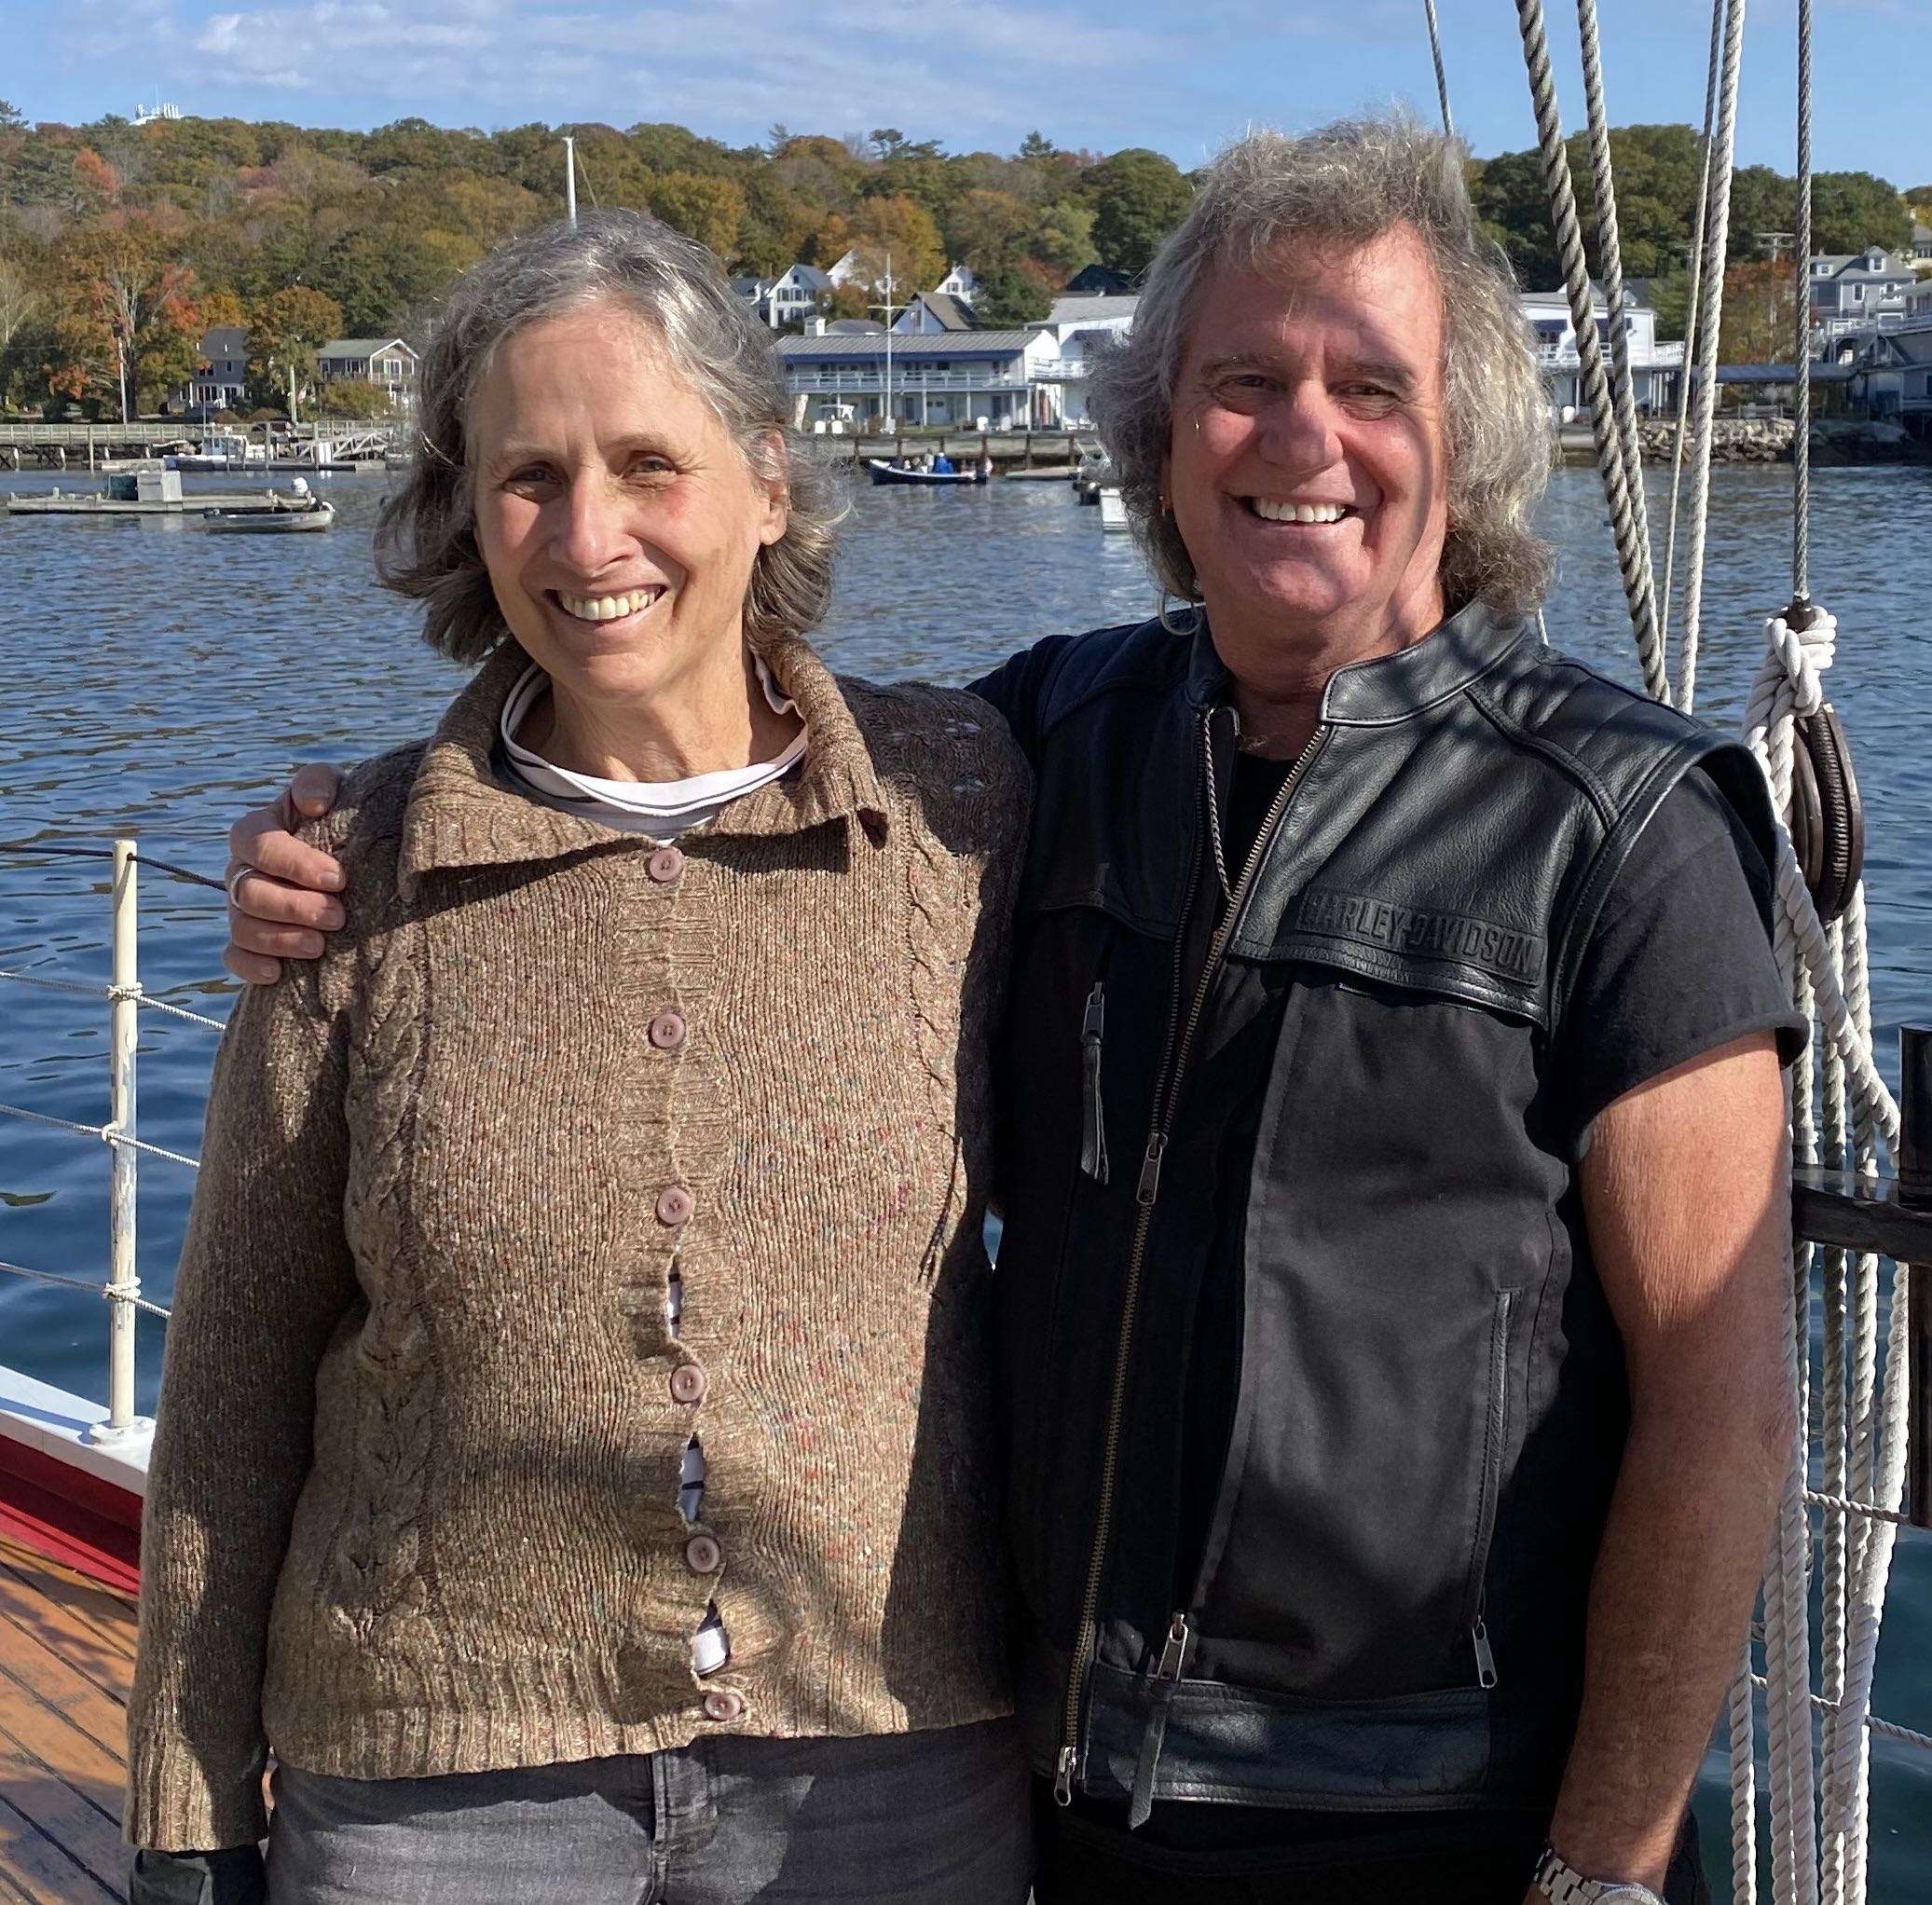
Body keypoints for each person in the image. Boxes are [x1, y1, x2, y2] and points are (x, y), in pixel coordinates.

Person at [226, 117, 1802, 1905]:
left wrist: (1602, 1867)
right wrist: (353, 839)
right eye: (1240, 381)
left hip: (1428, 1811)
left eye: (1370, 382)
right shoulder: (1042, 741)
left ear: (1473, 436)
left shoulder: (1623, 822)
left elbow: (1719, 1414)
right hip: (1056, 1787)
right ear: (1155, 437)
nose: (1302, 437)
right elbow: (715, 748)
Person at [129, 211, 1033, 1905]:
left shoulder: (956, 809)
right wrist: (187, 1814)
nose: (590, 533)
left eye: (647, 463)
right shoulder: (358, 871)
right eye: (528, 475)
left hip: (888, 1767)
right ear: (467, 515)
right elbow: (237, 1380)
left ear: (767, 480)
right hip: (428, 1798)